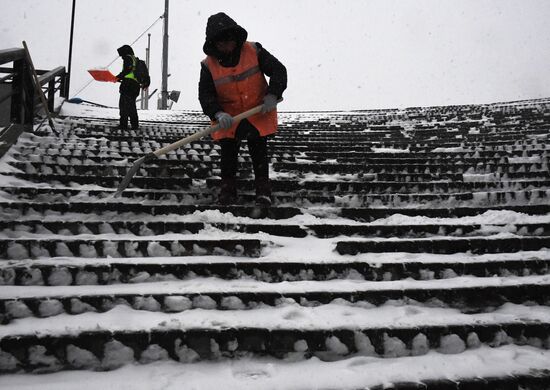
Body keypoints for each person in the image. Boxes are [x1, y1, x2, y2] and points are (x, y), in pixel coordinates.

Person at [198, 12, 287, 206]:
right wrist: (217, 112)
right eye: (221, 43)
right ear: (214, 45)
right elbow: (205, 94)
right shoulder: (208, 65)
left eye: (229, 41)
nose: (226, 46)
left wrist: (273, 94)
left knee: (258, 151)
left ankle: (263, 191)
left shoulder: (254, 51)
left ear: (235, 38)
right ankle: (228, 191)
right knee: (228, 152)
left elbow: (279, 70)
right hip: (227, 116)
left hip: (257, 110)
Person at [116, 45, 141, 130]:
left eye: (121, 55)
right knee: (131, 105)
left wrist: (118, 77)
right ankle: (135, 124)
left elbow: (127, 70)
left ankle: (123, 125)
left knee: (124, 105)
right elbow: (131, 72)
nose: (121, 57)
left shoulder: (128, 58)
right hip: (135, 86)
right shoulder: (136, 60)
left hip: (128, 85)